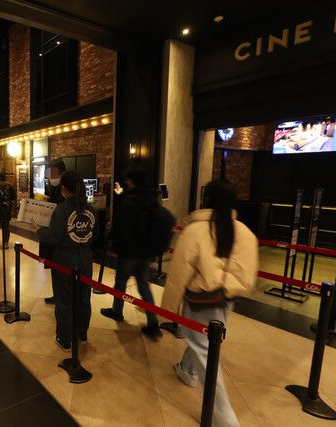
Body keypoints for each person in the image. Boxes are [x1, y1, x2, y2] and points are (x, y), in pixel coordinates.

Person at [161, 180, 258, 427]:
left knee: (204, 349)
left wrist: (166, 310)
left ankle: (225, 418)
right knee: (203, 340)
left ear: (207, 199)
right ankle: (186, 370)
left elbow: (178, 275)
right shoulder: (245, 232)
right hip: (226, 299)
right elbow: (247, 276)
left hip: (200, 300)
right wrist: (228, 286)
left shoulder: (195, 231)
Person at [31, 171, 97, 351]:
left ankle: (65, 339)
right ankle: (82, 334)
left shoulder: (61, 210)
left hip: (65, 261)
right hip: (85, 259)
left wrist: (38, 229)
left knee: (64, 301)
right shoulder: (91, 209)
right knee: (84, 299)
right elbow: (95, 236)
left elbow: (53, 238)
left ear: (64, 188)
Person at [100, 166, 164, 339]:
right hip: (146, 251)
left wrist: (113, 241)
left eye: (127, 180)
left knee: (121, 281)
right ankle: (153, 323)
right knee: (144, 285)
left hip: (130, 251)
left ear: (131, 181)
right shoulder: (152, 199)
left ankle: (117, 310)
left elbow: (122, 228)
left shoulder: (131, 201)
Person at [41, 159, 66, 304]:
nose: (51, 176)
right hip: (53, 229)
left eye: (53, 173)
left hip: (60, 233)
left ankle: (61, 296)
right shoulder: (54, 186)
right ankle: (57, 295)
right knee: (54, 266)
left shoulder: (66, 187)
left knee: (60, 268)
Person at [0, 172, 17, 249]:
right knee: (6, 226)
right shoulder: (10, 185)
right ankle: (5, 243)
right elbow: (14, 197)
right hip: (7, 208)